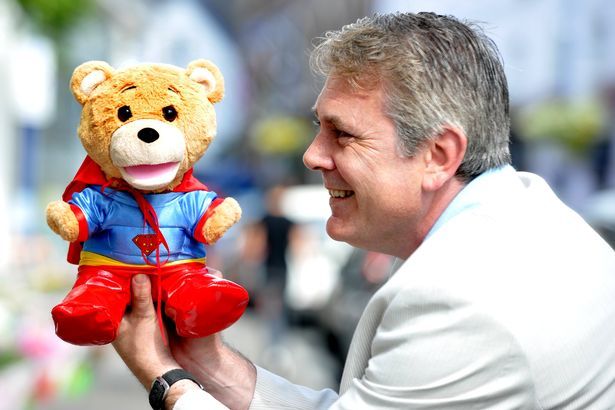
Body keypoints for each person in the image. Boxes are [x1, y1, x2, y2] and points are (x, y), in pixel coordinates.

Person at [112, 12, 615, 409]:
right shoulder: (524, 211)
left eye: (343, 134)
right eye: (319, 128)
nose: (312, 155)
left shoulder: (461, 298)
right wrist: (206, 360)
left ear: (438, 155)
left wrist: (166, 379)